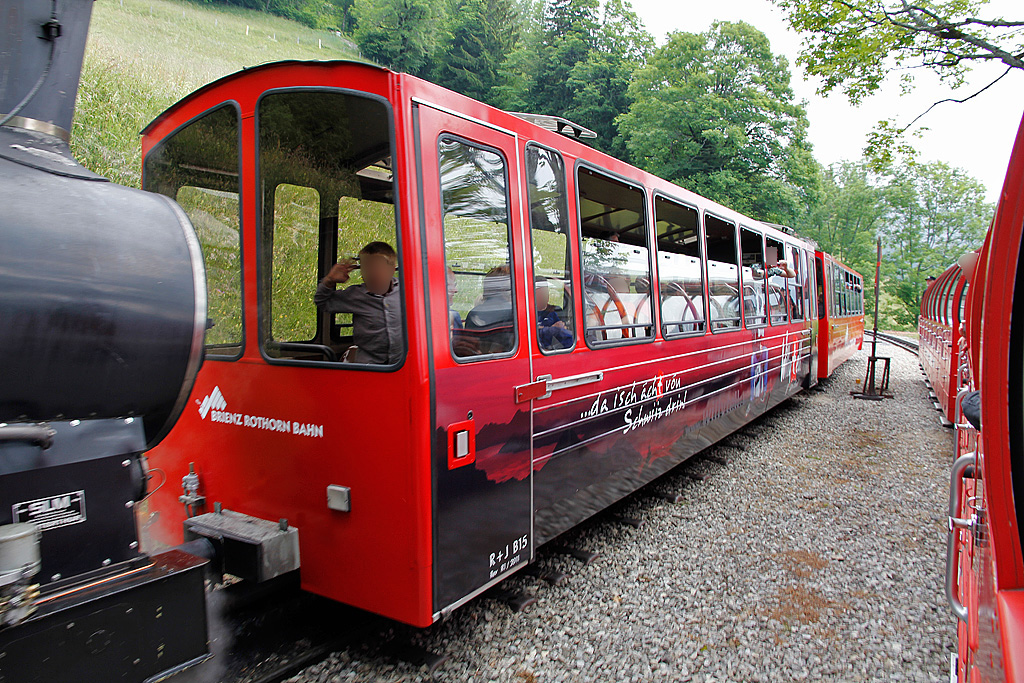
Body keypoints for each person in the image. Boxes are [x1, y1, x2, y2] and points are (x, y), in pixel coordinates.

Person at [314, 241, 400, 365]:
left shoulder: (406, 291)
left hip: (401, 366)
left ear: (392, 270)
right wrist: (329, 280)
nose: (372, 274)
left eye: (377, 268)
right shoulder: (356, 295)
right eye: (366, 268)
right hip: (369, 366)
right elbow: (322, 302)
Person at [535, 277, 574, 350]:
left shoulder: (551, 312)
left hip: (552, 349)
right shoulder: (529, 312)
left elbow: (560, 331)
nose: (545, 295)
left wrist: (562, 327)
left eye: (546, 292)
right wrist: (552, 329)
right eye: (541, 292)